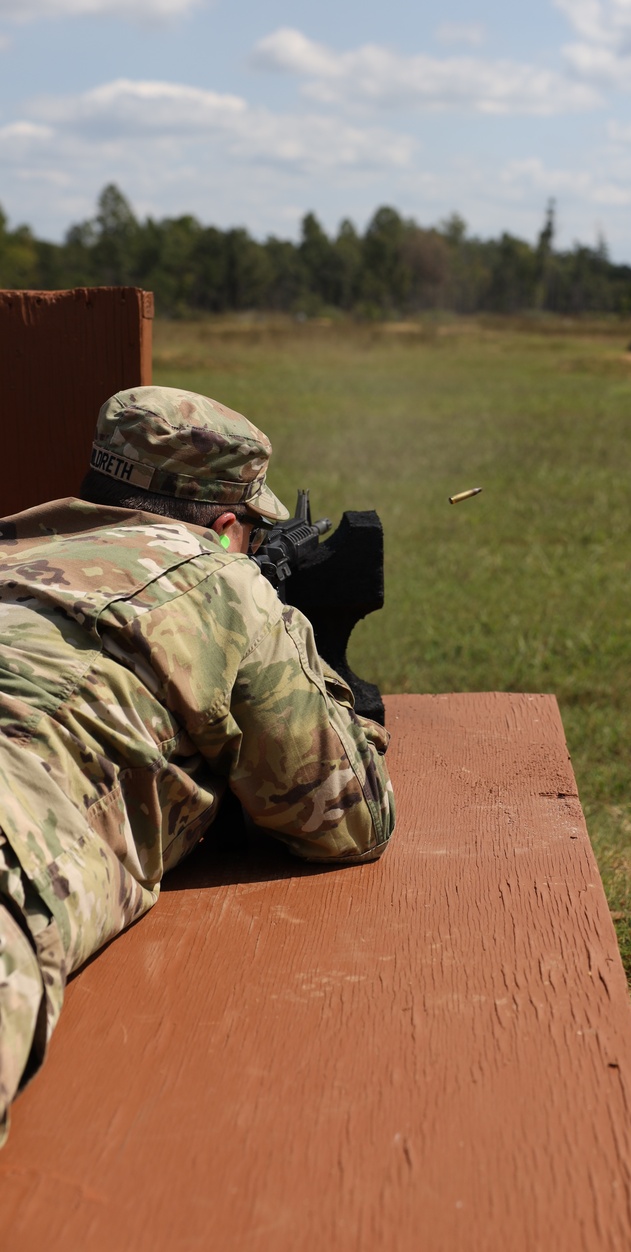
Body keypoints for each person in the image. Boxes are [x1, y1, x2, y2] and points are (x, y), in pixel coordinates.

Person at [0, 386, 395, 1142]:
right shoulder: (221, 577)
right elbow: (346, 819)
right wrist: (291, 641)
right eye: (249, 531)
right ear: (224, 527)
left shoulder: (16, 543)